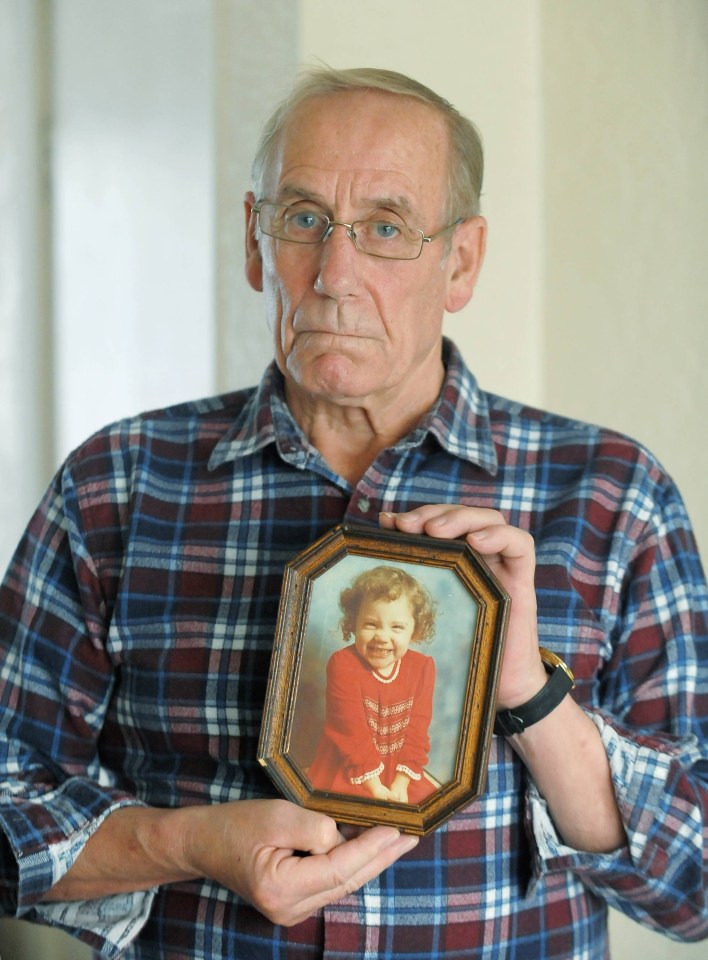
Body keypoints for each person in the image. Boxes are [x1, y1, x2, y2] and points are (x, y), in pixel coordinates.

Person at [0, 65, 706, 960]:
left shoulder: (611, 496)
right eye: (303, 221)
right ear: (255, 244)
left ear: (463, 260)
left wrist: (530, 694)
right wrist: (188, 843)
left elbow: (699, 887)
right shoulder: (118, 484)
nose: (335, 274)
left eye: (385, 228)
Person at [307, 565, 438, 803]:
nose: (382, 636)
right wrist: (376, 789)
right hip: (352, 766)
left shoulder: (422, 668)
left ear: (414, 631)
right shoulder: (343, 664)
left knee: (429, 808)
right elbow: (351, 734)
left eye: (397, 627)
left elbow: (418, 730)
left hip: (398, 770)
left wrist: (401, 782)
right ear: (353, 623)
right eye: (370, 624)